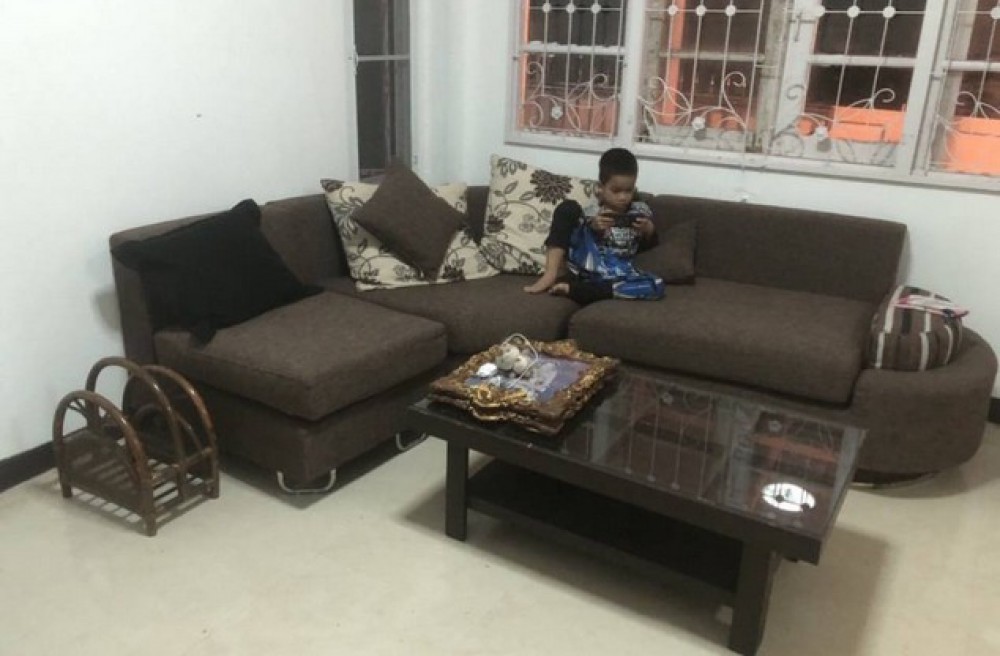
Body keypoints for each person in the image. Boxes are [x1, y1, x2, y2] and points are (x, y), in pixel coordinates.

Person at [523, 148, 664, 304]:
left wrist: (649, 230)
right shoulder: (592, 211)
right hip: (586, 266)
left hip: (618, 275)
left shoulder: (640, 211)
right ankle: (550, 275)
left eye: (628, 191)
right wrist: (592, 228)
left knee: (656, 285)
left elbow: (650, 248)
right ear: (600, 188)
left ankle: (579, 291)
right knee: (568, 208)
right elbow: (577, 241)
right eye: (616, 191)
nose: (623, 197)